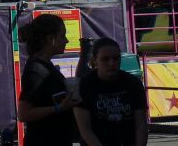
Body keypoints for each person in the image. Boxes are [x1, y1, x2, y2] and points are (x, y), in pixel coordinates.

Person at [74, 37, 147, 146]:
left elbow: (141, 125)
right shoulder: (84, 85)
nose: (111, 63)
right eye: (105, 59)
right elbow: (85, 129)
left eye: (116, 58)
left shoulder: (133, 84)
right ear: (95, 60)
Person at [18, 14, 78, 146]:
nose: (66, 41)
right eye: (63, 36)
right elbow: (24, 114)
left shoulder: (45, 65)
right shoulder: (37, 70)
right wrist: (59, 108)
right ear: (51, 39)